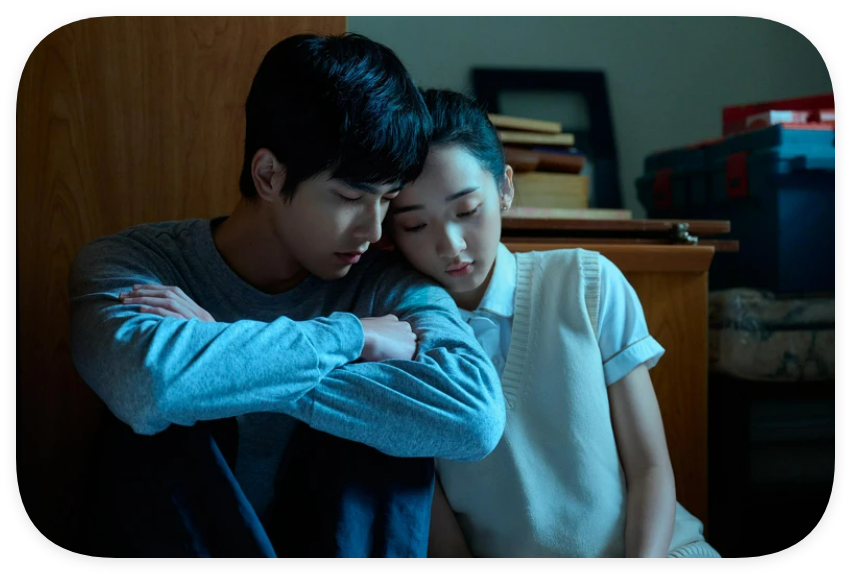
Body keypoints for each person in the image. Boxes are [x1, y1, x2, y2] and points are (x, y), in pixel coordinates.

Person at [70, 35, 505, 557]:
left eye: (387, 200)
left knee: (395, 422)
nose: (373, 230)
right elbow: (149, 387)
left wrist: (222, 345)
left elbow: (474, 418)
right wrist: (351, 338)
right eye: (350, 196)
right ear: (269, 175)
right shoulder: (135, 266)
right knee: (164, 419)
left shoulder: (386, 282)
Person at [385, 88, 721, 558]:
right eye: (416, 226)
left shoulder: (587, 282)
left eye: (466, 211)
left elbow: (650, 469)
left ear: (504, 189)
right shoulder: (399, 342)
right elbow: (442, 535)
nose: (451, 245)